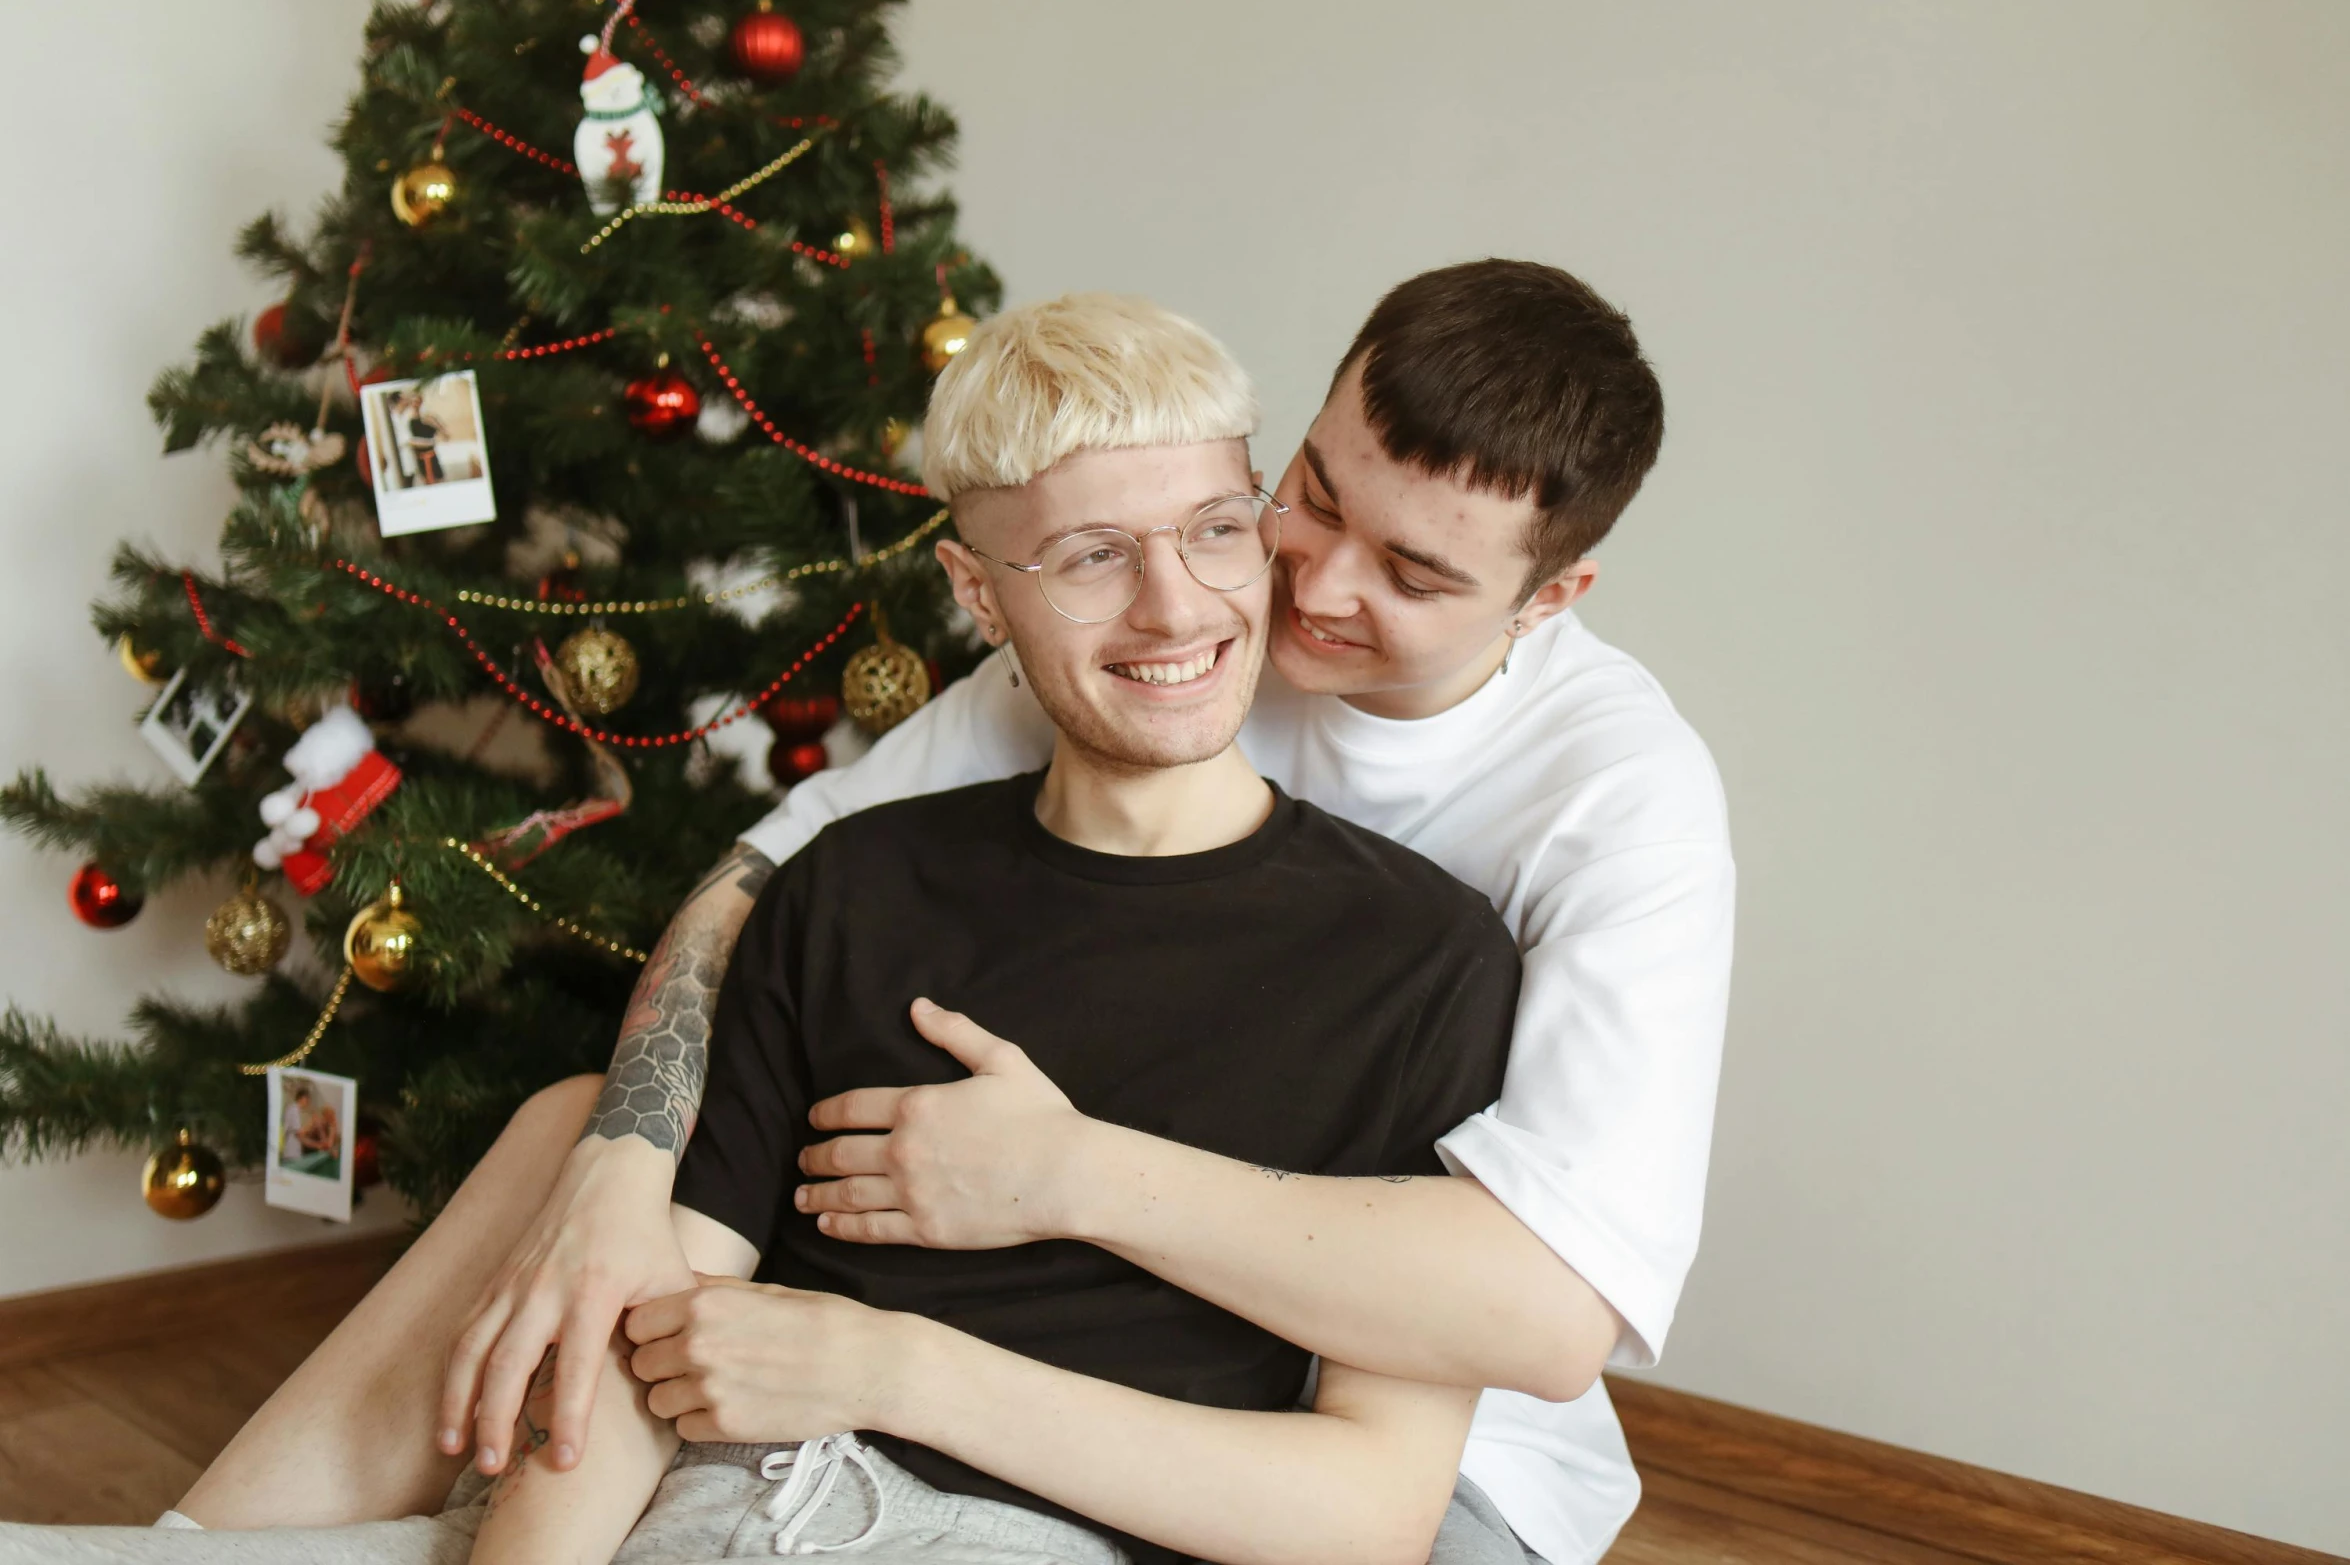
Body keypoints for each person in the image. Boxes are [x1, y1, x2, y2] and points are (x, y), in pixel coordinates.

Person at [161, 259, 1732, 1565]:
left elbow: (1536, 1322)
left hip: (1431, 1442)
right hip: (873, 1391)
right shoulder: (1113, 641)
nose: (1304, 586)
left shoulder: (1609, 810)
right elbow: (762, 886)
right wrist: (624, 1169)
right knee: (587, 1121)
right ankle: (198, 1540)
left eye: (1413, 573)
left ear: (1547, 599)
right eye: (1309, 498)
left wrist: (1061, 1181)